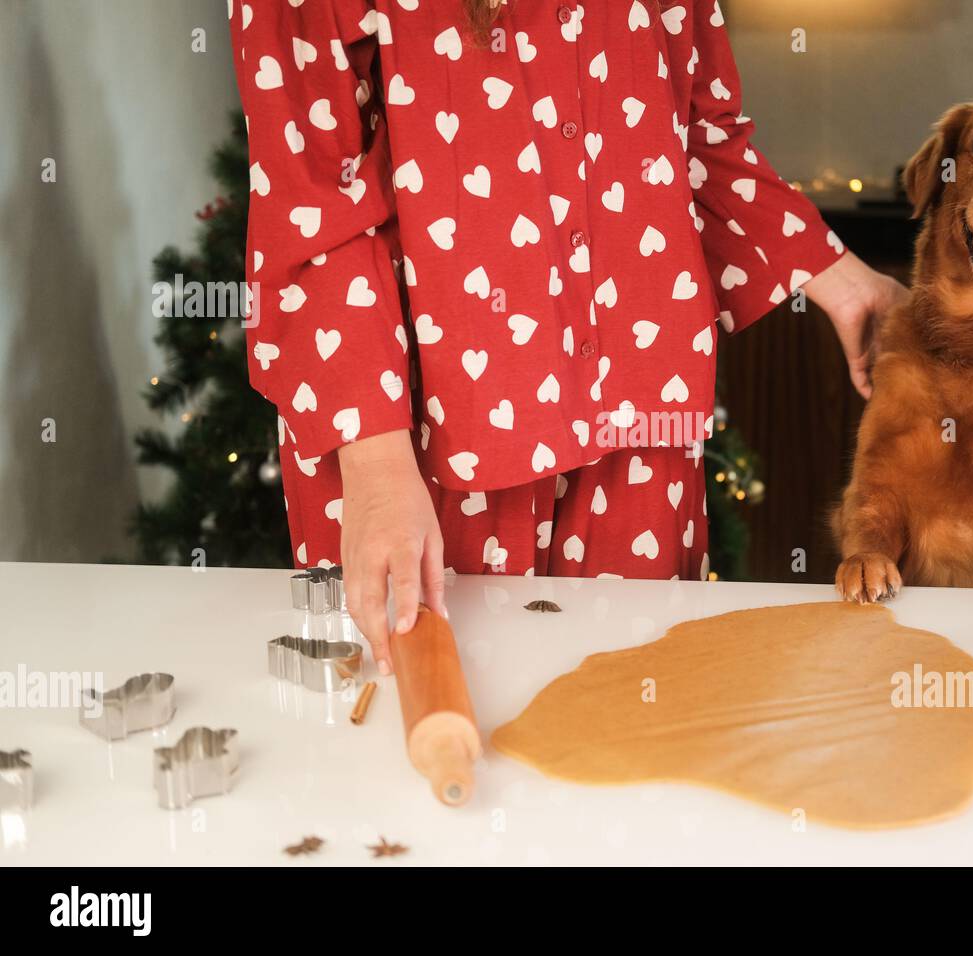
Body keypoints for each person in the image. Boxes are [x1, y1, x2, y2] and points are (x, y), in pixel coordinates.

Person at [229, 0, 906, 670]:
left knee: (625, 722)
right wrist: (375, 467)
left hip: (635, 426)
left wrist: (841, 280)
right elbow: (311, 187)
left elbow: (696, 136)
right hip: (415, 441)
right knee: (417, 731)